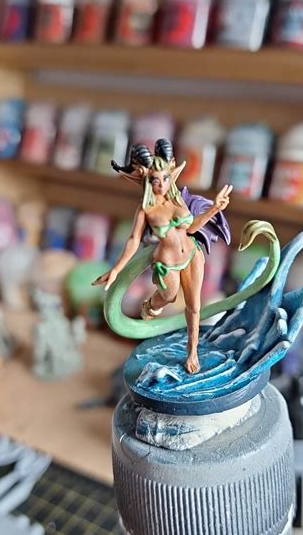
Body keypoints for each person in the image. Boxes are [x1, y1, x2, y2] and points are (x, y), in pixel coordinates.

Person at [93, 138, 232, 373]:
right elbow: (134, 240)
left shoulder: (177, 199)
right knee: (169, 296)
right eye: (156, 180)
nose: (162, 185)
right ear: (148, 180)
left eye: (166, 178)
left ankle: (192, 352)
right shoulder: (146, 209)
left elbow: (191, 228)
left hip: (192, 254)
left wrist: (214, 208)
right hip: (167, 262)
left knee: (194, 306)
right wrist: (116, 269)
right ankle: (150, 305)